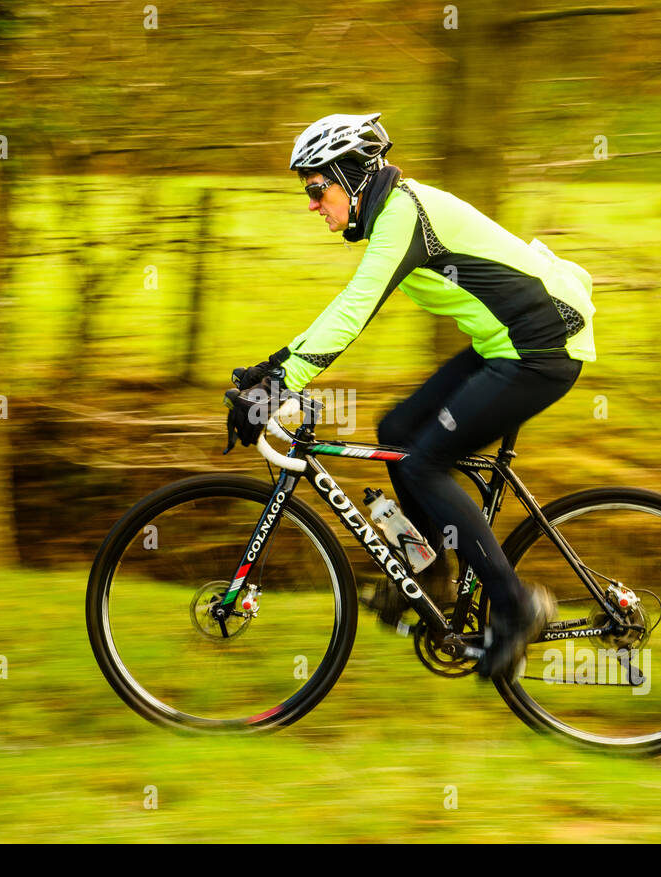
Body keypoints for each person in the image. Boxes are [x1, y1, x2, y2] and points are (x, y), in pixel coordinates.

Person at [227, 112, 596, 680]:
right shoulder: (396, 213)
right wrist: (270, 370)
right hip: (506, 342)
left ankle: (517, 604)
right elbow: (345, 308)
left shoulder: (404, 215)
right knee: (397, 433)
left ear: (350, 177)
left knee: (424, 466)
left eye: (316, 188)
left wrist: (280, 384)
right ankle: (433, 574)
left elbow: (355, 309)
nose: (311, 203)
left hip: (540, 349)